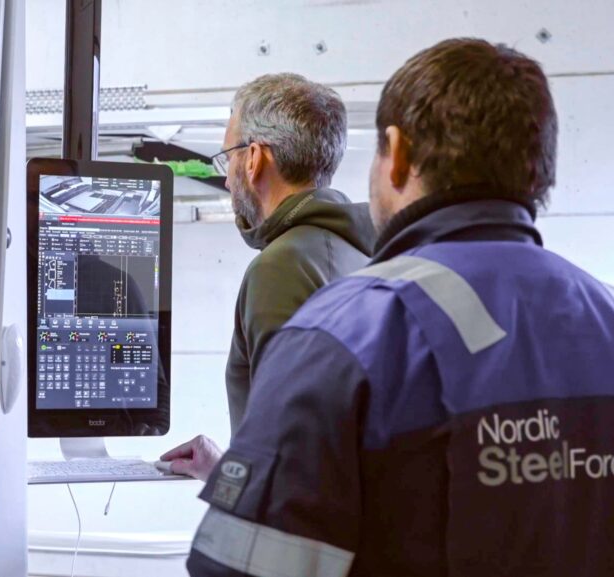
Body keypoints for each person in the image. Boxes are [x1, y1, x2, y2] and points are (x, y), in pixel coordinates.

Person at [185, 38, 614, 577]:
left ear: (398, 153)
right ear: (540, 167)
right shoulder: (603, 315)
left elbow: (244, 565)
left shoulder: (342, 334)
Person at [160, 73, 376, 479]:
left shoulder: (283, 267)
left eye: (228, 157)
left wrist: (228, 486)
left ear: (254, 158)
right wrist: (222, 469)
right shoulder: (360, 253)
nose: (227, 178)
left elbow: (289, 475)